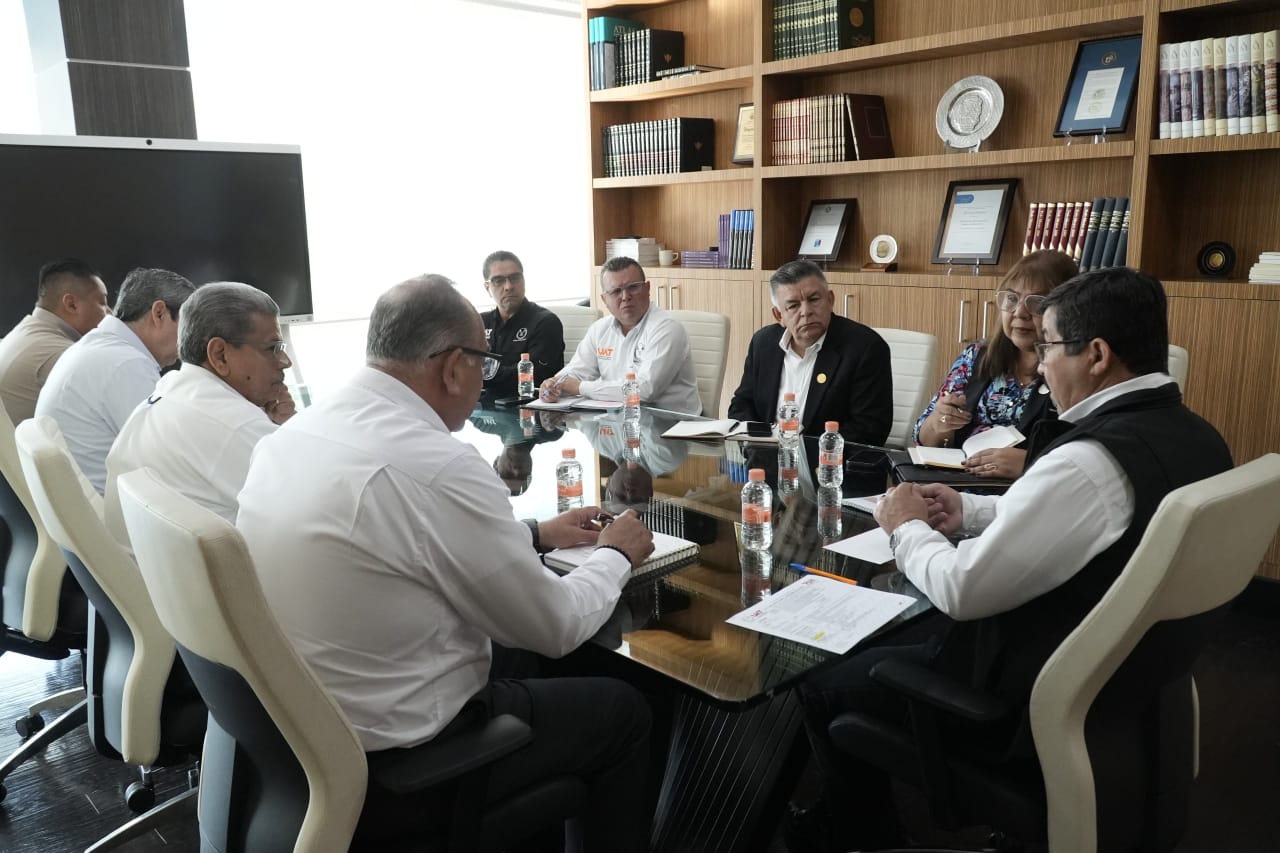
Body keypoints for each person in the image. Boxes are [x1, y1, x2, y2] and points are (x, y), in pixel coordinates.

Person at [792, 268, 1233, 850]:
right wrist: (968, 510)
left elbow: (962, 590)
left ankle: (856, 835)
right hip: (1125, 687)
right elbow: (1079, 519)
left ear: (1097, 355)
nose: (1042, 366)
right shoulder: (1197, 437)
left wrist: (905, 527)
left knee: (822, 677)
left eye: (1048, 346)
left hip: (1014, 704)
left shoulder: (1086, 462)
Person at [236, 274, 656, 850]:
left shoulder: (296, 431)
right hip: (407, 762)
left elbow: (397, 541)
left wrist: (533, 534)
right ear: (455, 367)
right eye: (484, 364)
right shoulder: (439, 464)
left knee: (517, 655)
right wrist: (615, 553)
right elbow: (556, 626)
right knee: (624, 710)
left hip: (303, 736)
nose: (483, 377)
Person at [103, 283, 295, 548]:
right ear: (220, 355)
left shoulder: (171, 389)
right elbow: (315, 513)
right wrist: (288, 434)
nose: (286, 361)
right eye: (273, 347)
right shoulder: (236, 426)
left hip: (149, 567)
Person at [913, 249, 1079, 479]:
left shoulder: (1074, 369)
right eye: (1012, 299)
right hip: (956, 483)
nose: (1020, 313)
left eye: (1037, 303)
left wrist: (1030, 462)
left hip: (1024, 490)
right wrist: (939, 424)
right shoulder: (976, 355)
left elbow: (1082, 456)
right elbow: (922, 438)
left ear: (1066, 310)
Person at [34, 267, 196, 493]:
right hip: (110, 509)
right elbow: (172, 460)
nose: (189, 341)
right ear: (159, 313)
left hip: (89, 501)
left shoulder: (100, 347)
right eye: (189, 327)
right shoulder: (125, 363)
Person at [728, 259, 893, 444]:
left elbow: (870, 429)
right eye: (793, 306)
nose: (806, 311)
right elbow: (741, 405)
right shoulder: (763, 343)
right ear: (779, 315)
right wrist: (759, 443)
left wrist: (805, 450)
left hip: (830, 459)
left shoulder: (866, 348)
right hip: (767, 455)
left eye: (814, 300)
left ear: (830, 300)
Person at [538, 256, 701, 415]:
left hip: (673, 425)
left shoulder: (667, 329)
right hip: (620, 419)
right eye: (616, 291)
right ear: (604, 299)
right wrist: (554, 384)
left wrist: (579, 387)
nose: (625, 297)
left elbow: (645, 390)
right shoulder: (599, 330)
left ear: (647, 288)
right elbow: (577, 371)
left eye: (633, 287)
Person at [0, 258, 110, 425]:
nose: (110, 313)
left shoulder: (25, 333)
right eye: (102, 303)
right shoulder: (62, 354)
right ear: (71, 304)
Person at [479, 250, 565, 395]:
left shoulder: (546, 322)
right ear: (488, 288)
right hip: (483, 403)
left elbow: (534, 375)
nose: (508, 286)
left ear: (523, 281)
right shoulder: (480, 323)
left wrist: (484, 374)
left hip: (529, 402)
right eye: (498, 281)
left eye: (515, 278)